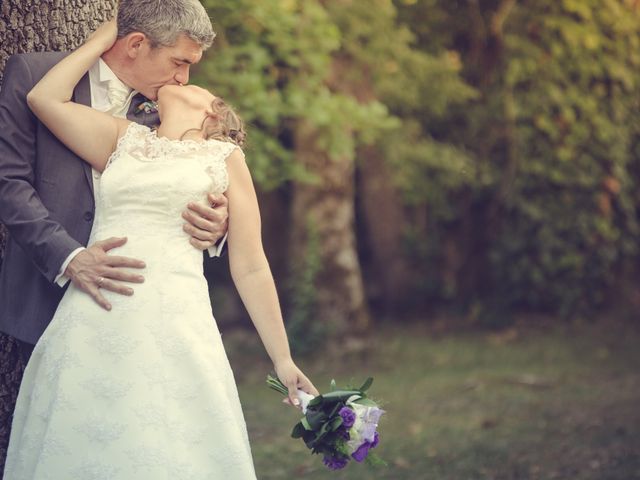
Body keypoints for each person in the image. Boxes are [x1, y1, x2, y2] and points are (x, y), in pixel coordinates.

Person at [3, 18, 318, 480]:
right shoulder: (125, 140)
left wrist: (283, 358)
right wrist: (99, 40)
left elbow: (251, 265)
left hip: (176, 319)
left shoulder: (223, 159)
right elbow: (43, 100)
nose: (184, 78)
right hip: (92, 315)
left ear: (213, 117)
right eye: (181, 64)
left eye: (197, 80)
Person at [0, 0, 229, 458]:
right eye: (179, 62)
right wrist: (69, 258)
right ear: (137, 43)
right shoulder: (33, 74)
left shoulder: (176, 109)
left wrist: (217, 224)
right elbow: (8, 181)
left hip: (142, 308)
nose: (185, 78)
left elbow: (204, 176)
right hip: (46, 292)